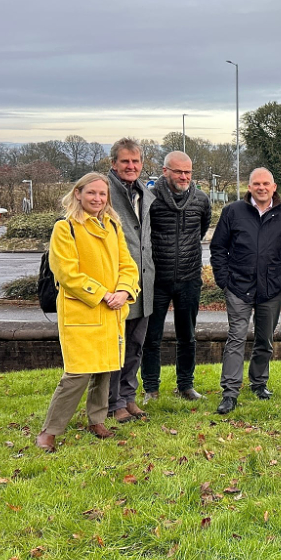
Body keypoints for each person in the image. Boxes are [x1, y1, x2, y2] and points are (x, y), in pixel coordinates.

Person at [35, 173, 140, 452]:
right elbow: (67, 273)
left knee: (105, 368)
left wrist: (124, 291)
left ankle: (96, 419)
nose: (97, 199)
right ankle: (50, 430)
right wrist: (103, 294)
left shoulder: (113, 226)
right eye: (91, 193)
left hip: (110, 311)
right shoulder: (65, 228)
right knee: (78, 373)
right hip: (82, 312)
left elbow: (128, 265)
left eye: (102, 194)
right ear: (78, 194)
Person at [209, 168, 281, 414]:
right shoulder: (232, 212)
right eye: (256, 183)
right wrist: (224, 280)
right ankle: (230, 392)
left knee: (264, 339)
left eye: (266, 183)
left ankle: (259, 383)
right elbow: (218, 249)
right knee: (236, 338)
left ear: (274, 186)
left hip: (272, 289)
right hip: (238, 287)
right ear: (249, 187)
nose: (261, 187)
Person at [140, 151, 212, 403]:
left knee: (188, 336)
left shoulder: (201, 200)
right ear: (165, 171)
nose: (183, 176)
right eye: (178, 171)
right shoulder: (149, 200)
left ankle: (186, 386)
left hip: (189, 278)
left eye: (188, 172)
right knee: (151, 338)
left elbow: (201, 230)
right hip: (156, 280)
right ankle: (151, 389)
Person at [106, 138, 155, 424]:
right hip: (116, 285)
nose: (131, 166)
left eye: (135, 161)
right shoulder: (105, 192)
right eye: (125, 161)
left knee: (135, 346)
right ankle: (113, 403)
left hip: (143, 283)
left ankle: (128, 397)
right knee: (116, 348)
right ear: (113, 163)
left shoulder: (144, 195)